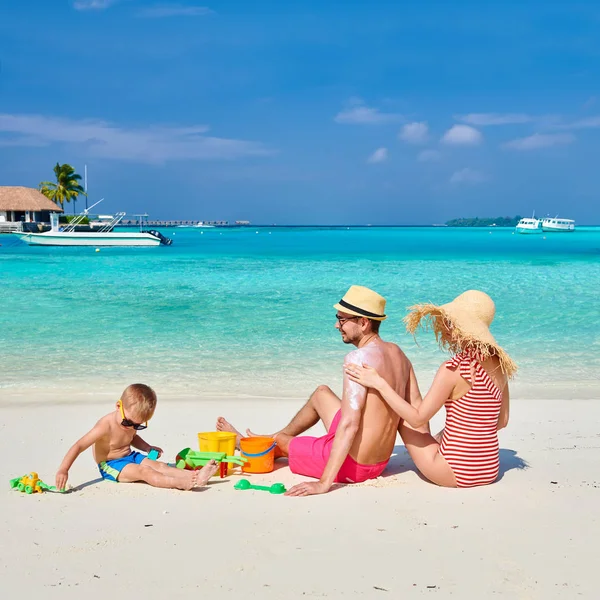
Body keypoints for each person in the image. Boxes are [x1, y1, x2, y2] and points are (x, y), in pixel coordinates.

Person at [217, 285, 426, 497]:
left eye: (342, 319)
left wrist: (324, 483)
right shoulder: (399, 354)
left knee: (282, 443)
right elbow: (417, 408)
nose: (337, 325)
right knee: (321, 393)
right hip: (378, 462)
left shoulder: (357, 359)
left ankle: (250, 447)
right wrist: (426, 454)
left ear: (364, 323)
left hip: (354, 465)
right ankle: (273, 436)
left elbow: (349, 424)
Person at [345, 290, 516, 488]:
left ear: (459, 327)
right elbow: (501, 422)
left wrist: (379, 383)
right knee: (427, 427)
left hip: (454, 472)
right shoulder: (500, 366)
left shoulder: (452, 369)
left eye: (449, 322)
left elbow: (418, 419)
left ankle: (369, 459)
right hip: (489, 469)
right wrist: (449, 436)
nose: (444, 327)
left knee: (402, 415)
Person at [55, 383, 218, 491]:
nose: (131, 428)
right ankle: (179, 484)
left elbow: (132, 438)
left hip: (130, 456)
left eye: (138, 425)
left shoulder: (129, 424)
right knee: (144, 471)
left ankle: (195, 477)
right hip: (111, 465)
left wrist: (147, 447)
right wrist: (63, 470)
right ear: (118, 406)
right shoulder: (105, 426)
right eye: (128, 423)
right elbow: (79, 446)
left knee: (160, 466)